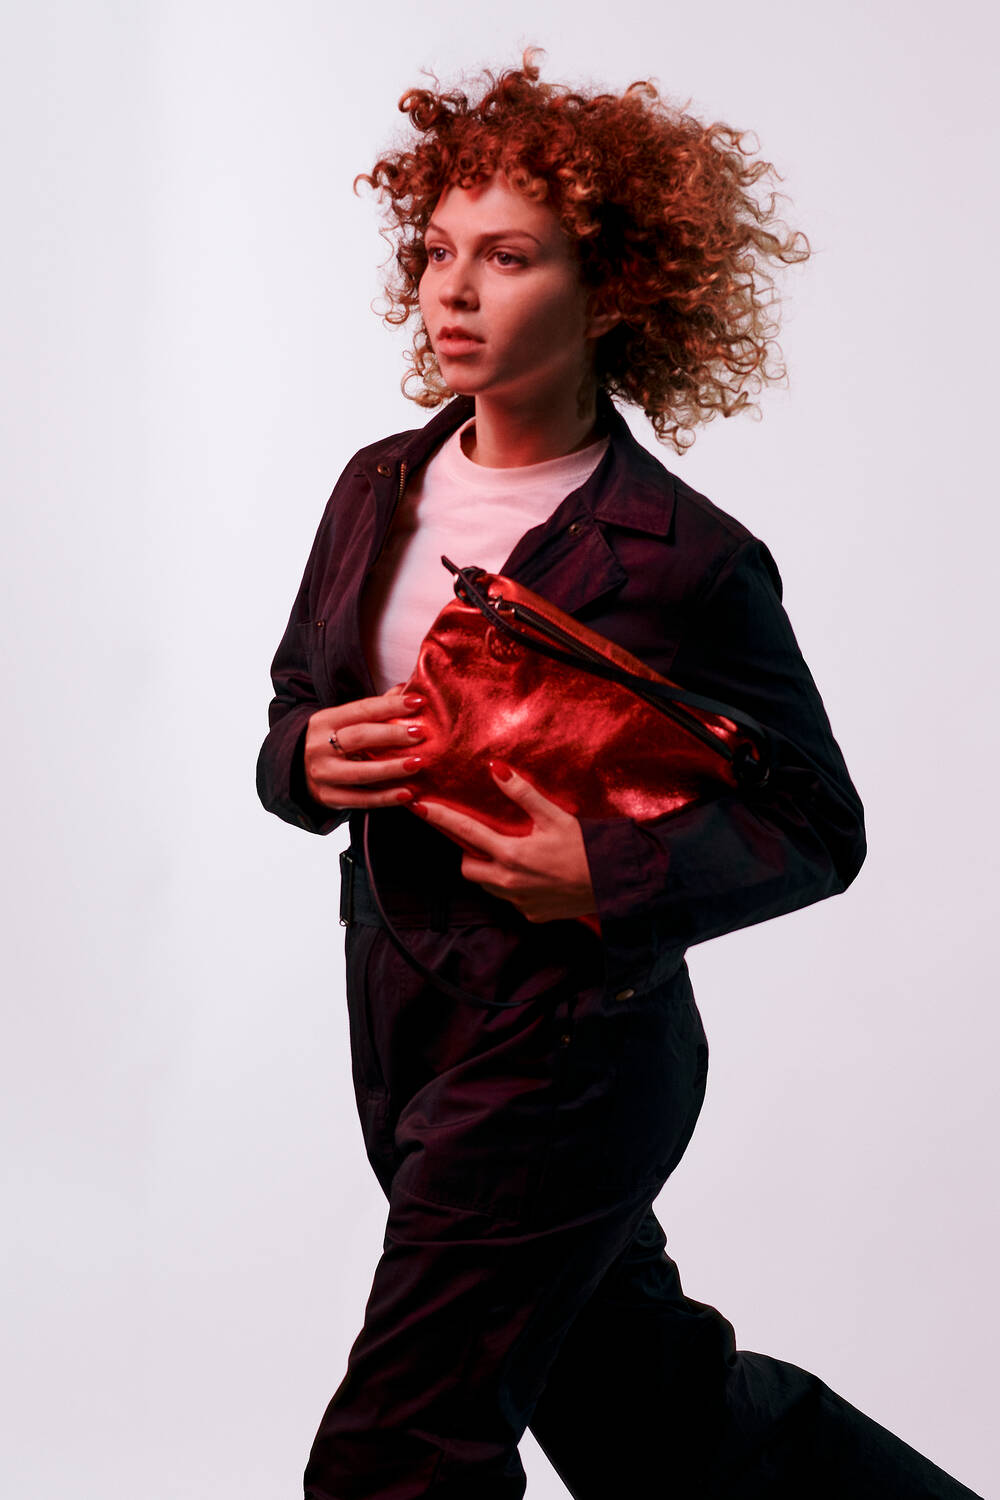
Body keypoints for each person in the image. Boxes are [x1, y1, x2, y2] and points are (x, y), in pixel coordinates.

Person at [256, 53, 981, 1500]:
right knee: (651, 1418)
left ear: (614, 289)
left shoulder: (684, 553)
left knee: (398, 1452)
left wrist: (611, 873)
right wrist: (304, 760)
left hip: (575, 1041)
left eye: (507, 258)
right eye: (438, 252)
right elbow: (295, 712)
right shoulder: (373, 485)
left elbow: (816, 825)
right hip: (401, 1018)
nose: (451, 292)